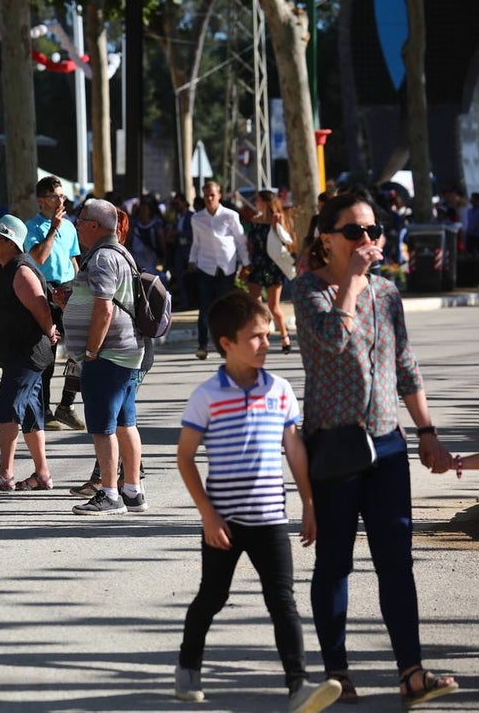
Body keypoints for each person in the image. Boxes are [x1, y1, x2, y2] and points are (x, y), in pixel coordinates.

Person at [293, 191, 458, 708]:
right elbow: (335, 340)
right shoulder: (308, 291)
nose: (367, 240)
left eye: (373, 231)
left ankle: (411, 671)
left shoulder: (387, 292)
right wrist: (351, 281)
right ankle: (337, 673)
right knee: (335, 561)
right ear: (327, 238)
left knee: (396, 559)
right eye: (354, 232)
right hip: (335, 442)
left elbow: (405, 365)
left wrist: (427, 432)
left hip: (388, 442)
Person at [173, 291, 342, 712]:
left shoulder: (280, 390)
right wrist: (208, 515)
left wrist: (308, 502)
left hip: (270, 518)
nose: (267, 343)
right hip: (224, 522)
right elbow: (185, 457)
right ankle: (187, 667)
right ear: (227, 343)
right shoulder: (207, 395)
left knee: (282, 599)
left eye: (268, 335)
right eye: (256, 337)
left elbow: (295, 449)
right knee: (211, 597)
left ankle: (298, 686)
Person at [63, 199, 148, 517]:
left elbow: (104, 307)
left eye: (81, 219)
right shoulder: (120, 254)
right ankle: (132, 491)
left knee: (103, 426)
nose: (77, 224)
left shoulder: (101, 258)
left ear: (94, 226)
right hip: (126, 351)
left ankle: (110, 493)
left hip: (108, 353)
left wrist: (91, 351)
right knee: (126, 422)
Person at [0, 214, 59, 492]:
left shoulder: (21, 270)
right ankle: (42, 474)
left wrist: (50, 332)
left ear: (12, 243)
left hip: (27, 355)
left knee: (7, 407)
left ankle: (5, 473)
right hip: (19, 354)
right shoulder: (8, 268)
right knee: (31, 413)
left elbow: (41, 307)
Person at [24, 175, 83, 430]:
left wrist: (82, 289)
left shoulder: (70, 227)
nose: (61, 200)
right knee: (46, 352)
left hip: (69, 288)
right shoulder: (33, 227)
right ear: (41, 201)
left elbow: (72, 261)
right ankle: (44, 408)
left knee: (80, 350)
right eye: (55, 196)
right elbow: (38, 256)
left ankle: (66, 405)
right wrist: (53, 228)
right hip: (44, 288)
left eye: (62, 196)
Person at [189, 180, 248, 360]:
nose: (209, 198)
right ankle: (202, 345)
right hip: (206, 266)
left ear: (219, 195)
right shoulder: (197, 218)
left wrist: (246, 263)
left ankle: (227, 346)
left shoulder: (230, 216)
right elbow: (196, 243)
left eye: (212, 195)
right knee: (205, 307)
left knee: (225, 308)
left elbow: (240, 240)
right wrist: (191, 260)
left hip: (227, 267)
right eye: (206, 195)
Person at [246, 190, 293, 354]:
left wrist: (275, 226)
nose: (256, 202)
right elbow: (250, 244)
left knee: (274, 307)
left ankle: (284, 337)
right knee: (255, 304)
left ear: (266, 202)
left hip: (272, 267)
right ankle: (261, 334)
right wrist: (247, 263)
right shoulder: (254, 221)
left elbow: (287, 241)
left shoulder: (278, 218)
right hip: (257, 265)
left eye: (258, 199)